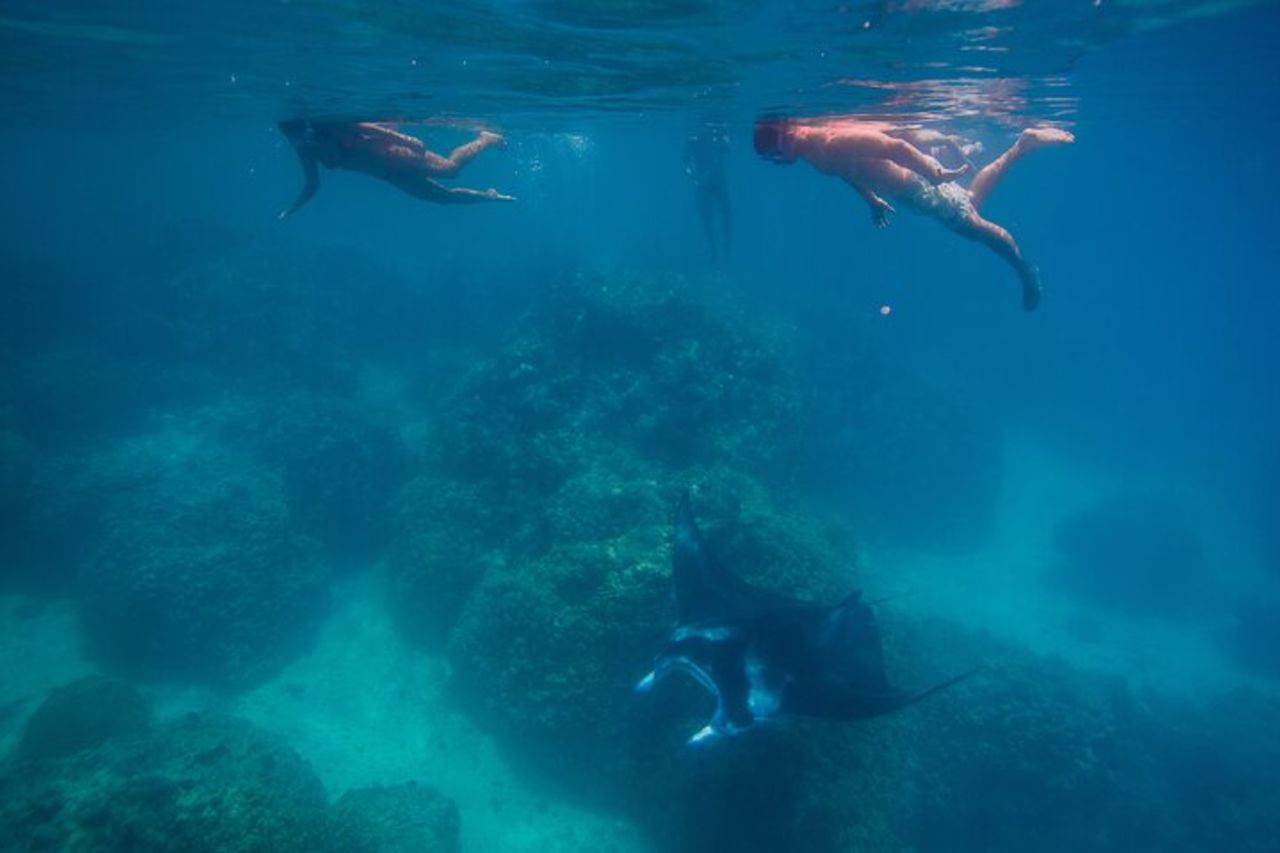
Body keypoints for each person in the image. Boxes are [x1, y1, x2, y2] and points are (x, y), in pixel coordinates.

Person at [753, 116, 1074, 311]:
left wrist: (932, 172)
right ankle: (1022, 146)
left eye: (774, 154)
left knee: (975, 226)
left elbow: (893, 147)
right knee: (970, 203)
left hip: (918, 186)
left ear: (786, 134)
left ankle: (1023, 270)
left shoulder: (831, 140)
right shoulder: (811, 152)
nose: (777, 162)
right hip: (909, 193)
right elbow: (846, 172)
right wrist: (871, 199)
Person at [277, 120, 515, 219]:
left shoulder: (330, 128)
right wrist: (290, 210)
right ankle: (490, 197)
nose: (299, 140)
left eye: (300, 134)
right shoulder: (305, 150)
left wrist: (407, 141)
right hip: (391, 176)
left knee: (450, 170)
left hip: (399, 156)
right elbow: (312, 185)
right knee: (443, 197)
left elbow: (367, 128)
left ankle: (486, 139)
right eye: (293, 137)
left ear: (306, 127)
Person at [683, 126, 733, 264]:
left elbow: (726, 150)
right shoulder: (693, 140)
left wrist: (723, 141)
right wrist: (693, 176)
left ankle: (726, 250)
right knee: (707, 219)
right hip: (703, 184)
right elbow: (684, 163)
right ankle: (714, 252)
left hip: (717, 183)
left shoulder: (717, 137)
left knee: (726, 216)